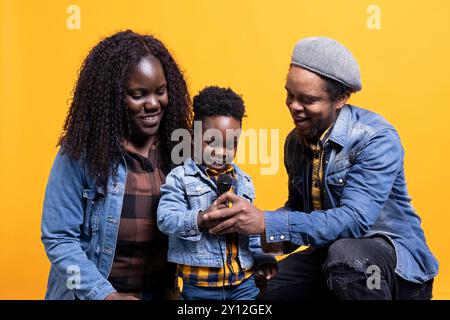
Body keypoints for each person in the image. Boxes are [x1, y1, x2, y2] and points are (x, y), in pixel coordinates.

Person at [202, 37, 438, 300]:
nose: (294, 106)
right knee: (265, 283)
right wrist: (247, 232)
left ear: (341, 99)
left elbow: (354, 221)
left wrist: (265, 221)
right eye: (289, 95)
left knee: (348, 259)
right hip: (331, 259)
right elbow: (300, 212)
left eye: (308, 100)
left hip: (393, 272)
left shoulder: (375, 138)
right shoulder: (295, 142)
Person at [41, 30, 192, 300]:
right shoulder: (81, 153)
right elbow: (59, 239)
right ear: (113, 97)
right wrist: (105, 296)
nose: (153, 104)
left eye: (161, 92)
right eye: (138, 94)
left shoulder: (180, 150)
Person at [157, 86, 277, 300]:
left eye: (231, 144)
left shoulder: (244, 182)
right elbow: (165, 218)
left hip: (243, 284)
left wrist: (263, 258)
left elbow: (252, 231)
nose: (222, 152)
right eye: (212, 142)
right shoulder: (180, 178)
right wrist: (201, 218)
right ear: (193, 137)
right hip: (198, 288)